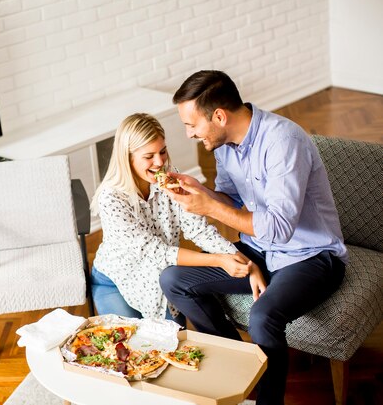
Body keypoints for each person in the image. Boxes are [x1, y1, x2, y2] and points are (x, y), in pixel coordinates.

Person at [159, 70, 347, 405]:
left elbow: (279, 228)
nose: (189, 134)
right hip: (262, 250)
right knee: (174, 279)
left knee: (262, 316)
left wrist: (210, 209)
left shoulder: (282, 142)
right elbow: (231, 201)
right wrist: (200, 192)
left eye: (191, 125)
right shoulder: (223, 145)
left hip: (312, 257)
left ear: (219, 116)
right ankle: (242, 372)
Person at [90, 112, 255, 328]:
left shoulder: (170, 179)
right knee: (130, 347)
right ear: (127, 157)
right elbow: (158, 253)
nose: (159, 162)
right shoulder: (111, 199)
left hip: (158, 282)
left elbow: (198, 230)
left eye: (163, 151)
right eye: (149, 156)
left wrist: (240, 260)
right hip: (116, 281)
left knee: (174, 342)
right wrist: (218, 260)